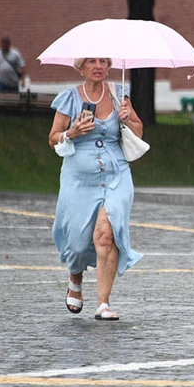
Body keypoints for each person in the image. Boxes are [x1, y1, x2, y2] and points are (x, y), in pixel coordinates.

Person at [47, 57, 144, 321]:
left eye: (103, 61)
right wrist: (73, 132)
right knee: (77, 244)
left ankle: (103, 303)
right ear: (81, 67)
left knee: (105, 235)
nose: (98, 66)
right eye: (91, 61)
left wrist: (128, 119)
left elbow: (139, 130)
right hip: (79, 178)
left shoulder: (119, 94)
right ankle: (75, 277)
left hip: (116, 174)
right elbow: (53, 137)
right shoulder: (69, 98)